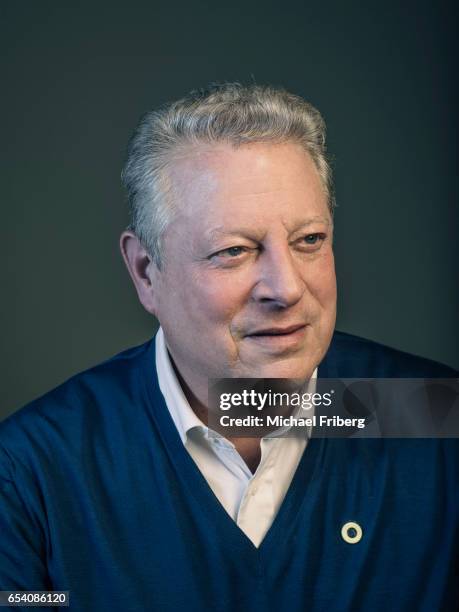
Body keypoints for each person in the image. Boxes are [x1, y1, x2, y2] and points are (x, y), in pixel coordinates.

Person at [0, 83, 457, 611]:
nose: (285, 288)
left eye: (309, 240)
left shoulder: (436, 416)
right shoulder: (32, 470)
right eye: (234, 251)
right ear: (146, 272)